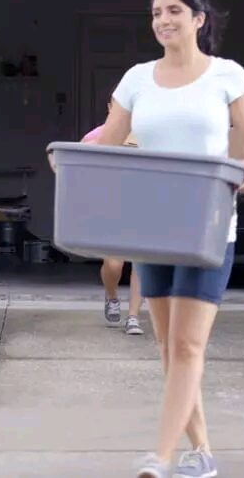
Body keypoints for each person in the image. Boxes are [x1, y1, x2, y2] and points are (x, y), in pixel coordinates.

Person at [89, 0, 244, 478]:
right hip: (153, 226)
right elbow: (106, 146)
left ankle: (161, 455)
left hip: (208, 226)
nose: (163, 20)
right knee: (170, 348)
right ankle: (203, 453)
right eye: (155, 13)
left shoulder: (227, 76)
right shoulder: (137, 80)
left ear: (198, 18)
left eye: (173, 10)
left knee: (189, 346)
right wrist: (74, 165)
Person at [80, 121, 144, 335]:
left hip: (146, 204)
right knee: (114, 265)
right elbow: (79, 155)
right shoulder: (100, 133)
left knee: (142, 265)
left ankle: (134, 317)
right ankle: (112, 296)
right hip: (112, 207)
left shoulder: (153, 131)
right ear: (111, 108)